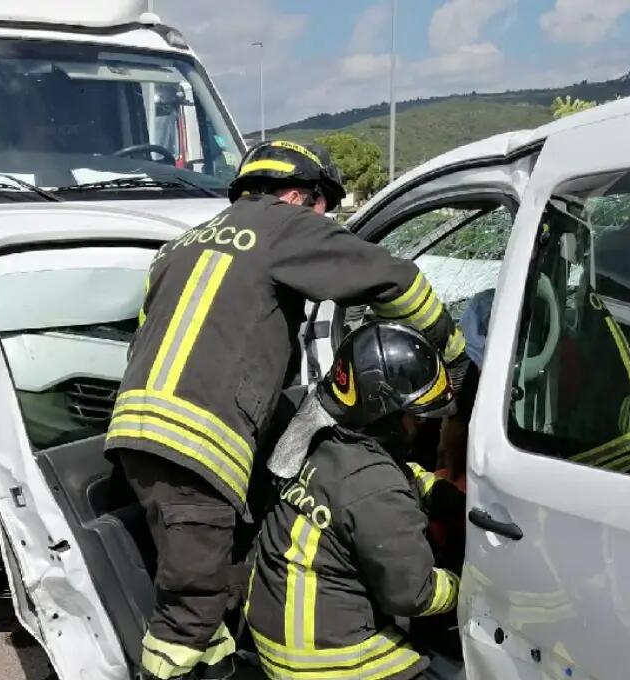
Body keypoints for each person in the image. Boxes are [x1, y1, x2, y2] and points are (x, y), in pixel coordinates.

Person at [106, 141, 469, 680]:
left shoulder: (179, 246)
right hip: (195, 445)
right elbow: (396, 279)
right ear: (300, 195)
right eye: (324, 208)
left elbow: (149, 338)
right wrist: (455, 356)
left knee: (216, 582)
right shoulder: (286, 224)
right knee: (190, 613)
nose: (323, 220)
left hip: (137, 433)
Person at [245, 322, 464, 680]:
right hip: (328, 661)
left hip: (276, 635)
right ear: (386, 413)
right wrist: (465, 586)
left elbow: (387, 477)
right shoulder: (374, 486)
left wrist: (435, 490)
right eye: (414, 415)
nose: (420, 424)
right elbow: (413, 594)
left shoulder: (318, 439)